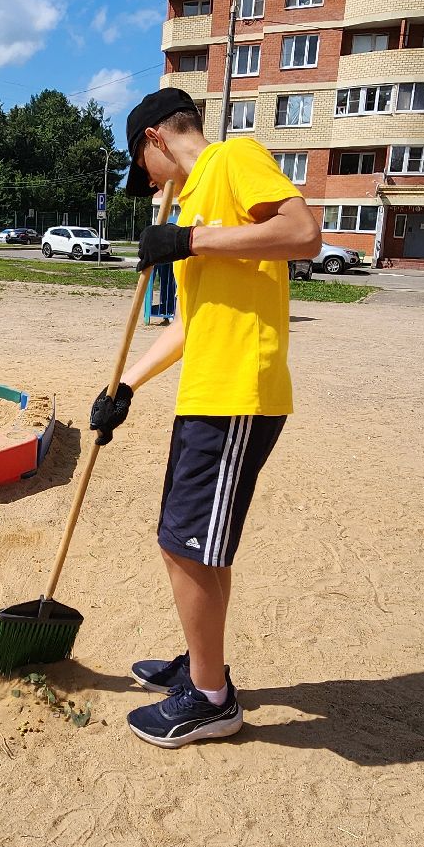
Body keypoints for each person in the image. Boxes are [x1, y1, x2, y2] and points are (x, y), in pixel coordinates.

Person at [90, 88, 320, 749]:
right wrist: (126, 386)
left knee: (184, 544)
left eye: (144, 167)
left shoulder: (232, 159)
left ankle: (212, 700)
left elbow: (304, 235)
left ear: (157, 138)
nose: (150, 185)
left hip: (239, 393)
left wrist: (190, 237)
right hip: (208, 392)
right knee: (192, 544)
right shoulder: (195, 200)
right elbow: (192, 324)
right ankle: (201, 668)